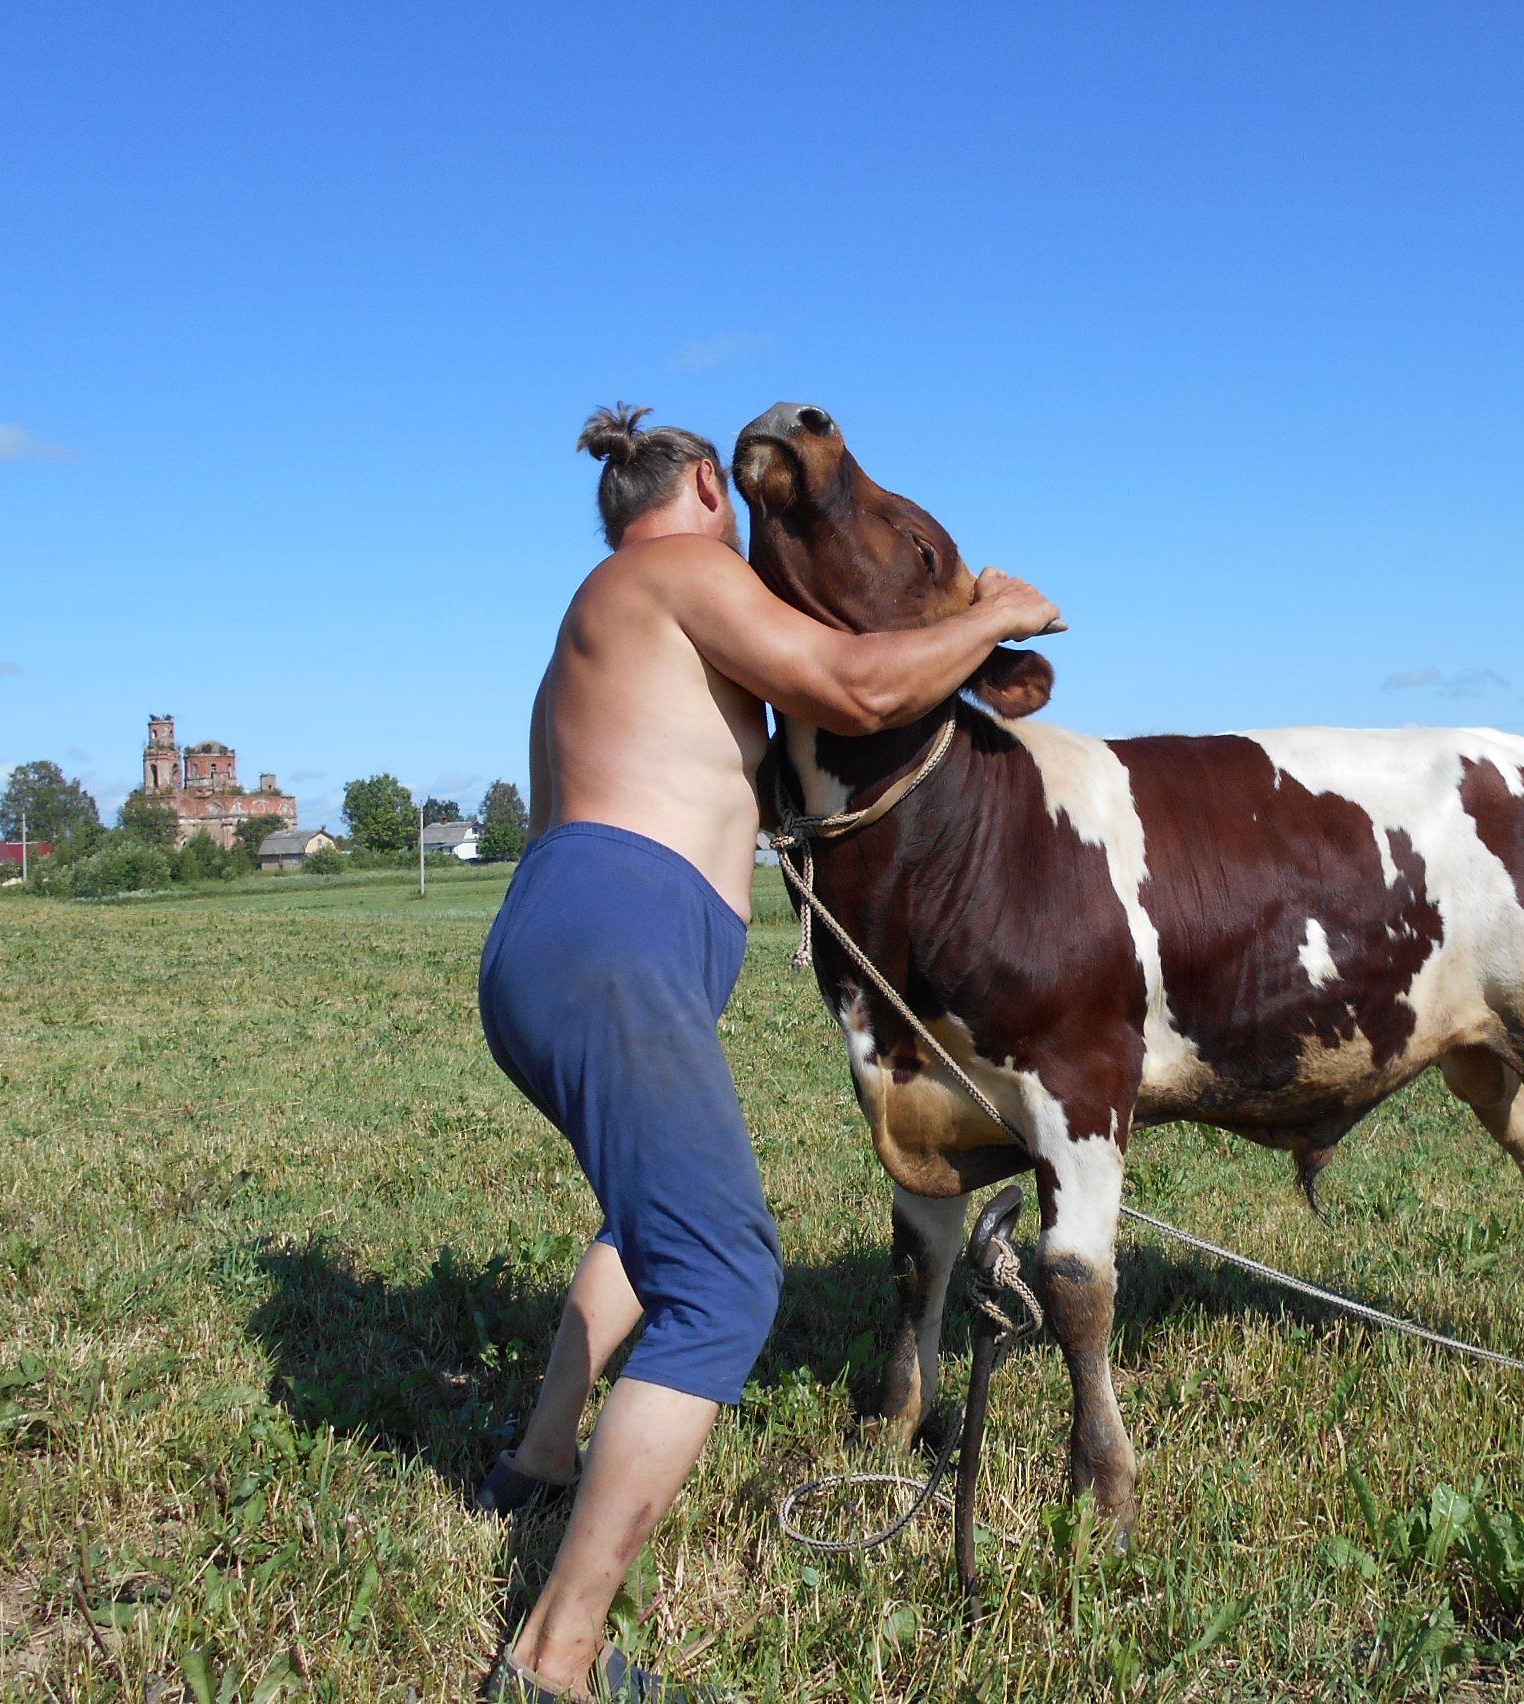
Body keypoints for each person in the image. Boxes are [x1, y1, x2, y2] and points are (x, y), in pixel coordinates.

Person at [479, 403, 1061, 1702]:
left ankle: (535, 1461)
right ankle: (553, 1661)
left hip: (567, 942)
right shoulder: (674, 567)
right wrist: (991, 618)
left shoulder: (596, 633)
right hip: (618, 941)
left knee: (649, 1225)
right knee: (729, 1282)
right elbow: (855, 686)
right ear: (700, 481)